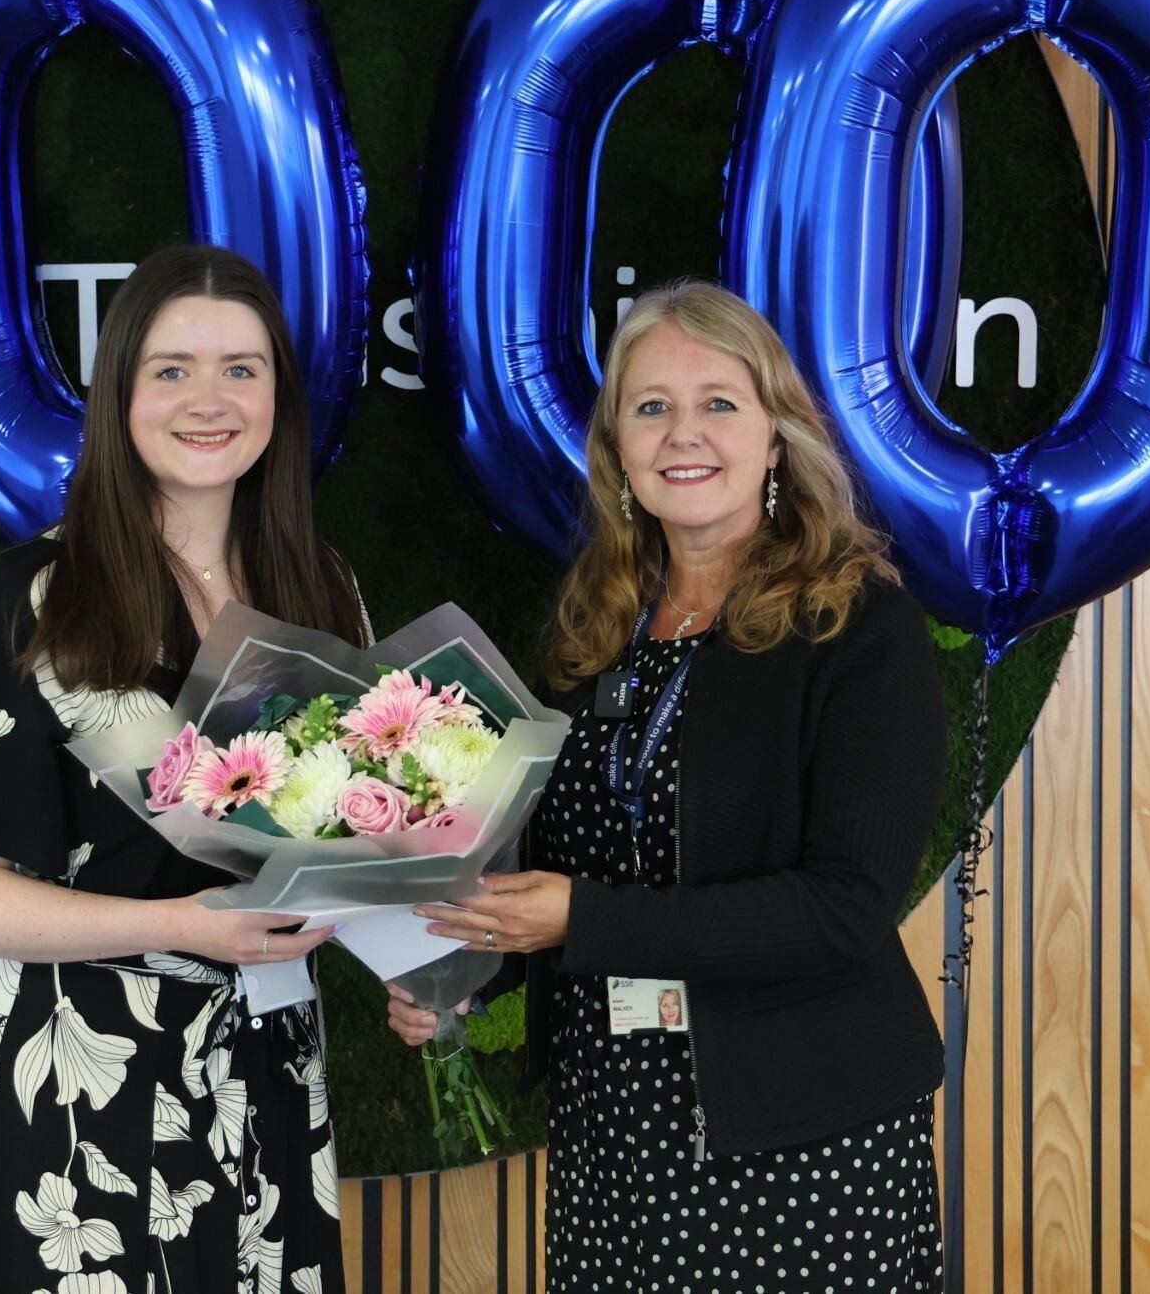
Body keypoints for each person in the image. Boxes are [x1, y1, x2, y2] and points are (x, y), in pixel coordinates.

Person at [390, 279, 950, 1290]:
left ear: (776, 438)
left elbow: (841, 908)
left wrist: (578, 919)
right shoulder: (589, 638)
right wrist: (462, 976)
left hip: (795, 1136)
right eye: (649, 406)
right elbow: (559, 877)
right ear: (615, 453)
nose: (681, 432)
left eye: (718, 402)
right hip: (616, 1130)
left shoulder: (858, 628)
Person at [0, 244, 365, 1294]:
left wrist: (423, 960)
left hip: (265, 1065)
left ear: (279, 397)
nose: (209, 399)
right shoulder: (39, 595)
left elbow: (339, 852)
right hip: (76, 1092)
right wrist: (179, 924)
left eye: (241, 368)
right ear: (118, 395)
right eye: (171, 369)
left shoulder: (323, 589)